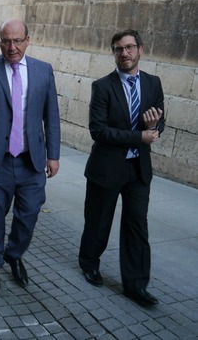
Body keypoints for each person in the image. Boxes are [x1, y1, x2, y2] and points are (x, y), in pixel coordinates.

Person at [0, 19, 61, 292]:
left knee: (29, 213)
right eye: (6, 41)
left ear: (28, 39)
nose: (12, 47)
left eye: (18, 40)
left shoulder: (43, 71)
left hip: (32, 161)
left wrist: (54, 155)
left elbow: (51, 116)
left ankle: (13, 254)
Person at [78, 29, 164, 307]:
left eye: (129, 47)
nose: (124, 53)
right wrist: (140, 135)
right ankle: (89, 263)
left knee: (137, 225)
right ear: (113, 53)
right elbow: (98, 130)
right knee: (98, 220)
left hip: (138, 169)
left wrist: (153, 127)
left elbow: (158, 120)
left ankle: (136, 285)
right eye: (118, 49)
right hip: (107, 168)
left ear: (140, 49)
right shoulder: (102, 86)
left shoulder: (153, 83)